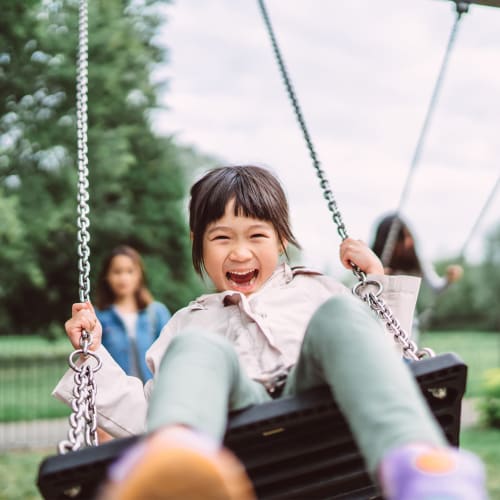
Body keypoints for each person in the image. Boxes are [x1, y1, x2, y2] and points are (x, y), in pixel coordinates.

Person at [55, 166, 486, 500]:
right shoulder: (187, 322)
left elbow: (377, 365)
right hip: (234, 422)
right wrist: (93, 357)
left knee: (342, 316)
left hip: (317, 405)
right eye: (221, 237)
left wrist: (378, 286)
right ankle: (178, 460)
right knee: (196, 348)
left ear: (280, 240)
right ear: (198, 244)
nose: (239, 252)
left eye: (256, 235)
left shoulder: (317, 289)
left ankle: (418, 465)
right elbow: (145, 413)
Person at [371, 213, 464, 338]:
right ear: (387, 241)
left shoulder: (417, 262)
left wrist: (449, 279)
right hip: (377, 324)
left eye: (409, 236)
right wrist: (375, 276)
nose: (409, 242)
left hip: (406, 326)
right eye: (403, 238)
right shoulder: (373, 262)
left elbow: (437, 288)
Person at [95, 245, 171, 383]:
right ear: (107, 276)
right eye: (117, 272)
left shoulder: (156, 313)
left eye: (130, 271)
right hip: (115, 397)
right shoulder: (99, 317)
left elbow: (170, 356)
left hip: (151, 397)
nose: (123, 277)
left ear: (139, 275)